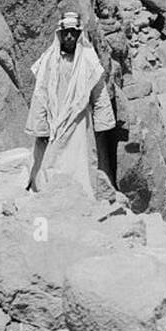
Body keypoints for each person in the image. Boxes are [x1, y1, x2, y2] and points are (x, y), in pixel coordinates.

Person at [25, 11, 118, 196]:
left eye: (73, 32)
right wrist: (40, 127)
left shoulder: (89, 61)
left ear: (79, 34)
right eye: (66, 32)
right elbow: (40, 94)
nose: (69, 36)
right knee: (50, 160)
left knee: (80, 162)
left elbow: (99, 93)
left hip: (79, 122)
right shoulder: (50, 60)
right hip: (55, 118)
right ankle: (49, 193)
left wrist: (102, 123)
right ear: (60, 34)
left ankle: (80, 195)